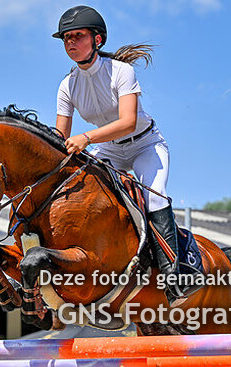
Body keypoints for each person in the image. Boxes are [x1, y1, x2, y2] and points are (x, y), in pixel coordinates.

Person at [53, 5, 196, 306]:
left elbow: (128, 122)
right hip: (109, 150)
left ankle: (174, 274)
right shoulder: (67, 86)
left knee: (155, 197)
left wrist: (87, 137)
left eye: (78, 36)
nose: (71, 43)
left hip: (145, 144)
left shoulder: (122, 71)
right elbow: (60, 140)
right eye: (66, 38)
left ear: (98, 40)